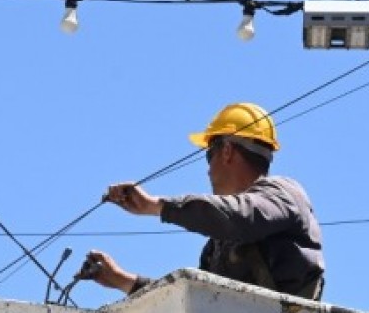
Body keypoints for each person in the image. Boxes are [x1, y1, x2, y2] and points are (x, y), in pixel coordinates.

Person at [83, 101, 326, 300]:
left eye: (209, 156)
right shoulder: (219, 244)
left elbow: (239, 217)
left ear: (227, 151)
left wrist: (156, 206)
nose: (208, 171)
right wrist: (122, 280)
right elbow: (192, 300)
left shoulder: (284, 193)